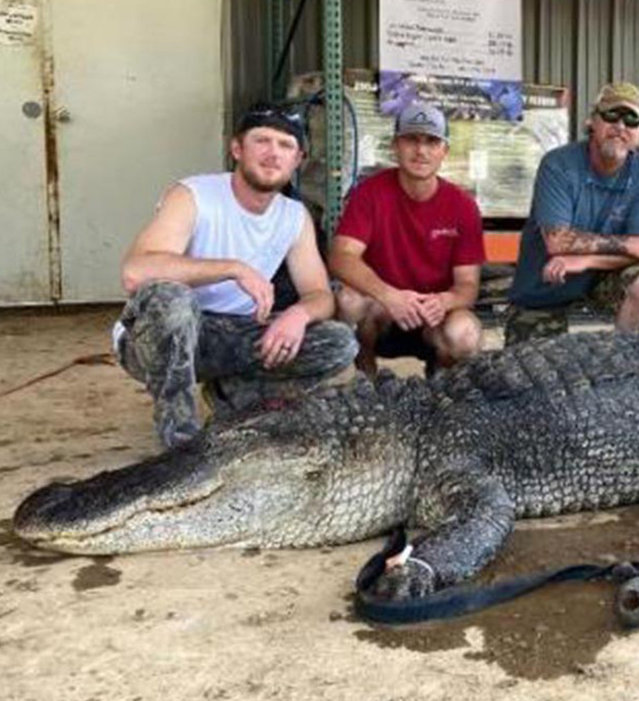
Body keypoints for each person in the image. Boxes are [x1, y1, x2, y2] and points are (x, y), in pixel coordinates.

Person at [115, 103, 357, 449]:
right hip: (155, 340)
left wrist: (298, 315)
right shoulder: (193, 195)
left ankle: (233, 395)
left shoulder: (294, 216)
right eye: (262, 140)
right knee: (173, 300)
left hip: (230, 334)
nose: (273, 153)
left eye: (285, 145)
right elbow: (135, 272)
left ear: (297, 160)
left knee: (337, 342)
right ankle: (180, 439)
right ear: (237, 148)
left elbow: (319, 294)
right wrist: (233, 268)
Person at [330, 101, 485, 377]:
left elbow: (468, 286)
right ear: (395, 146)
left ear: (444, 151)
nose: (421, 150)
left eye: (432, 141)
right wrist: (389, 296)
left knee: (465, 334)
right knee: (349, 301)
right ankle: (366, 379)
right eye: (411, 139)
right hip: (382, 313)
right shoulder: (369, 193)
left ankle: (441, 385)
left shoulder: (463, 205)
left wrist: (444, 301)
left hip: (433, 317)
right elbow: (341, 257)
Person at [504, 82, 639, 346]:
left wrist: (585, 260)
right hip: (546, 286)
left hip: (600, 278)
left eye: (632, 119)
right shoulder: (557, 164)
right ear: (592, 121)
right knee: (531, 368)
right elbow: (557, 241)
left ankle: (627, 359)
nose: (620, 126)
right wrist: (628, 244)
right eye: (611, 115)